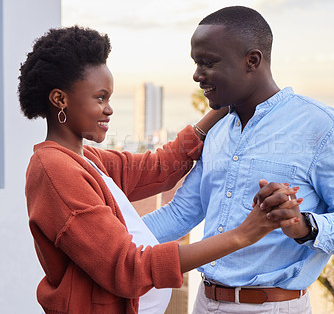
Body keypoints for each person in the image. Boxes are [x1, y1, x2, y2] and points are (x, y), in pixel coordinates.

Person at [18, 26, 302, 314]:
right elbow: (128, 269)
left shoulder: (86, 158)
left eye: (110, 98)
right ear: (60, 100)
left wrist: (224, 103)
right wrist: (242, 235)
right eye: (100, 98)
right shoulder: (55, 170)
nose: (109, 109)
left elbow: (159, 168)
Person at [142, 6, 334, 313]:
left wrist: (303, 225)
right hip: (204, 302)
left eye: (207, 63)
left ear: (252, 60)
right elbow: (181, 214)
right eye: (196, 63)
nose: (197, 75)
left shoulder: (320, 126)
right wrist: (108, 236)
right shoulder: (217, 131)